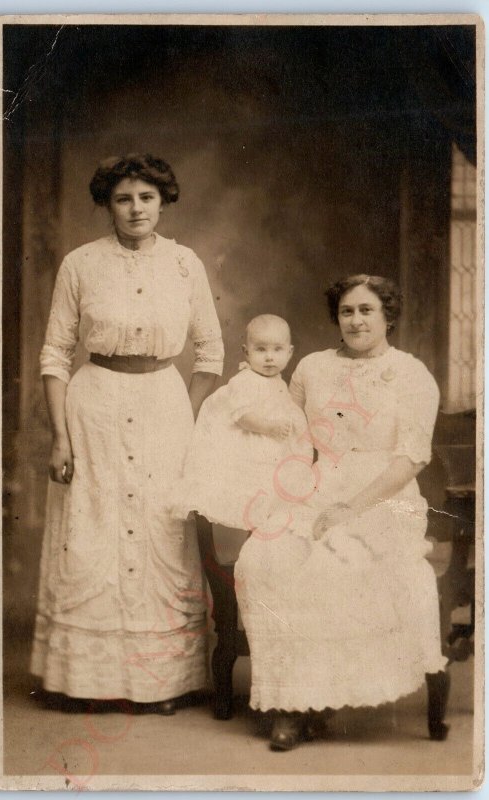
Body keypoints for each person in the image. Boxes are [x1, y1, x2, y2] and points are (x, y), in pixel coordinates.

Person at [30, 153, 224, 713]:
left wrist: (184, 421)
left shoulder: (186, 264)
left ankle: (163, 682)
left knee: (161, 532)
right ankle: (86, 682)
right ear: (107, 205)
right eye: (123, 198)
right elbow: (54, 353)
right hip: (95, 410)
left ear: (163, 201)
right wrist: (62, 437)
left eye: (146, 197)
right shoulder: (80, 264)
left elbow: (210, 351)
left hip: (164, 405)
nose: (136, 209)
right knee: (93, 529)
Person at [235, 274, 448, 750]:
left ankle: (315, 704)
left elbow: (410, 458)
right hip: (316, 487)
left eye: (366, 310)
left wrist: (349, 509)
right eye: (347, 311)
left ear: (387, 316)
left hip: (383, 498)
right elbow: (289, 435)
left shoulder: (412, 374)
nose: (355, 320)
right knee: (261, 559)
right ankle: (292, 700)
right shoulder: (311, 367)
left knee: (330, 567)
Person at [170, 314, 312, 531]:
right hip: (244, 445)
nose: (269, 358)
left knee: (275, 492)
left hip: (268, 446)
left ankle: (262, 535)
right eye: (261, 349)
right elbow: (242, 416)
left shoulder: (277, 382)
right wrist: (270, 427)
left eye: (277, 349)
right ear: (246, 352)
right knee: (248, 491)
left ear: (290, 352)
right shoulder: (244, 381)